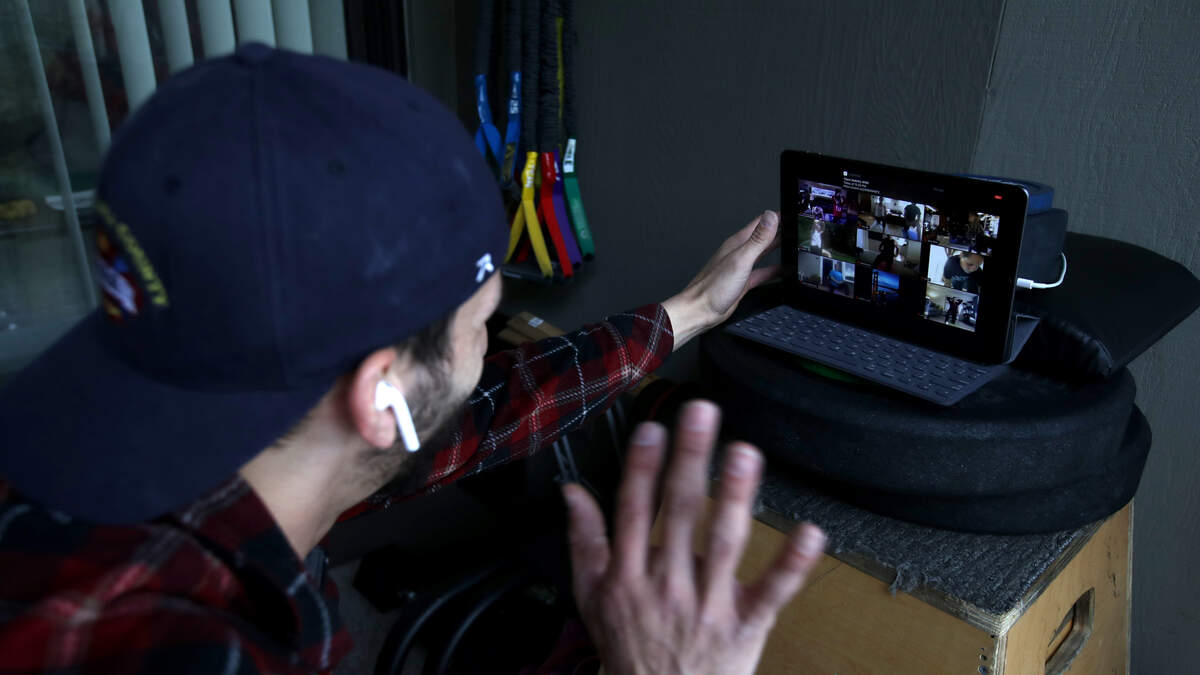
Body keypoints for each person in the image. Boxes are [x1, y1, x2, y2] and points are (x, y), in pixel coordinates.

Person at [0, 46, 825, 674]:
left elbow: (480, 410)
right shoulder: (186, 646)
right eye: (483, 322)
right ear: (380, 394)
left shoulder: (157, 414)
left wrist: (690, 311)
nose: (488, 348)